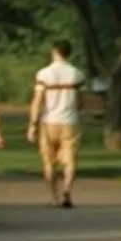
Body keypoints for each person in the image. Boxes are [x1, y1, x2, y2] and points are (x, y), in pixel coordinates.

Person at [28, 40, 86, 208]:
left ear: (54, 52)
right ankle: (67, 189)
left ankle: (54, 197)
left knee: (48, 160)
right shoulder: (77, 74)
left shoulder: (44, 74)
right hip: (69, 121)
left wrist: (32, 124)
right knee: (70, 159)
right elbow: (81, 101)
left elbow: (38, 101)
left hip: (48, 122)